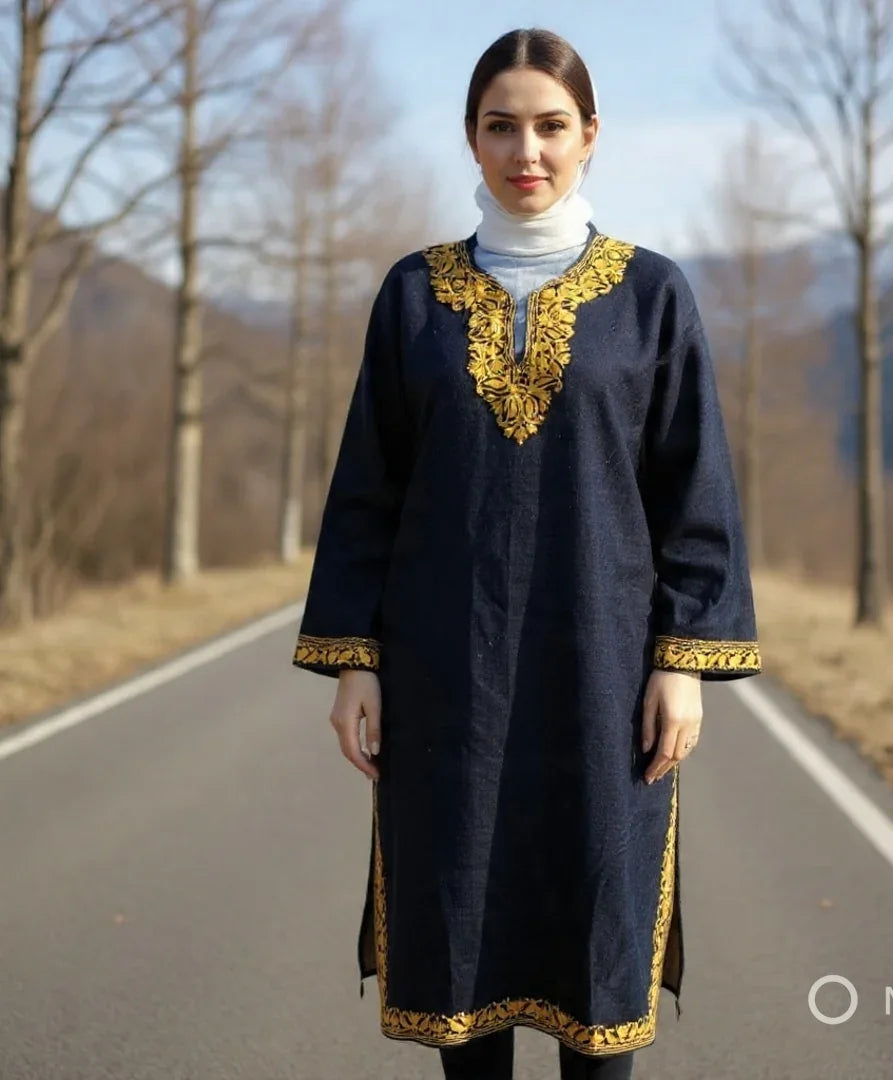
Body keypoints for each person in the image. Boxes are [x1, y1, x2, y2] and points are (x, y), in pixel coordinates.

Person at [290, 26, 761, 1080]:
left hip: (602, 687)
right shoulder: (412, 297)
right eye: (501, 127)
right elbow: (368, 493)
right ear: (470, 138)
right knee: (461, 967)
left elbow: (696, 495)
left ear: (591, 136)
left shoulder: (653, 296)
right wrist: (355, 660)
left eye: (551, 126)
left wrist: (682, 663)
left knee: (598, 972)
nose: (527, 152)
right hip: (445, 688)